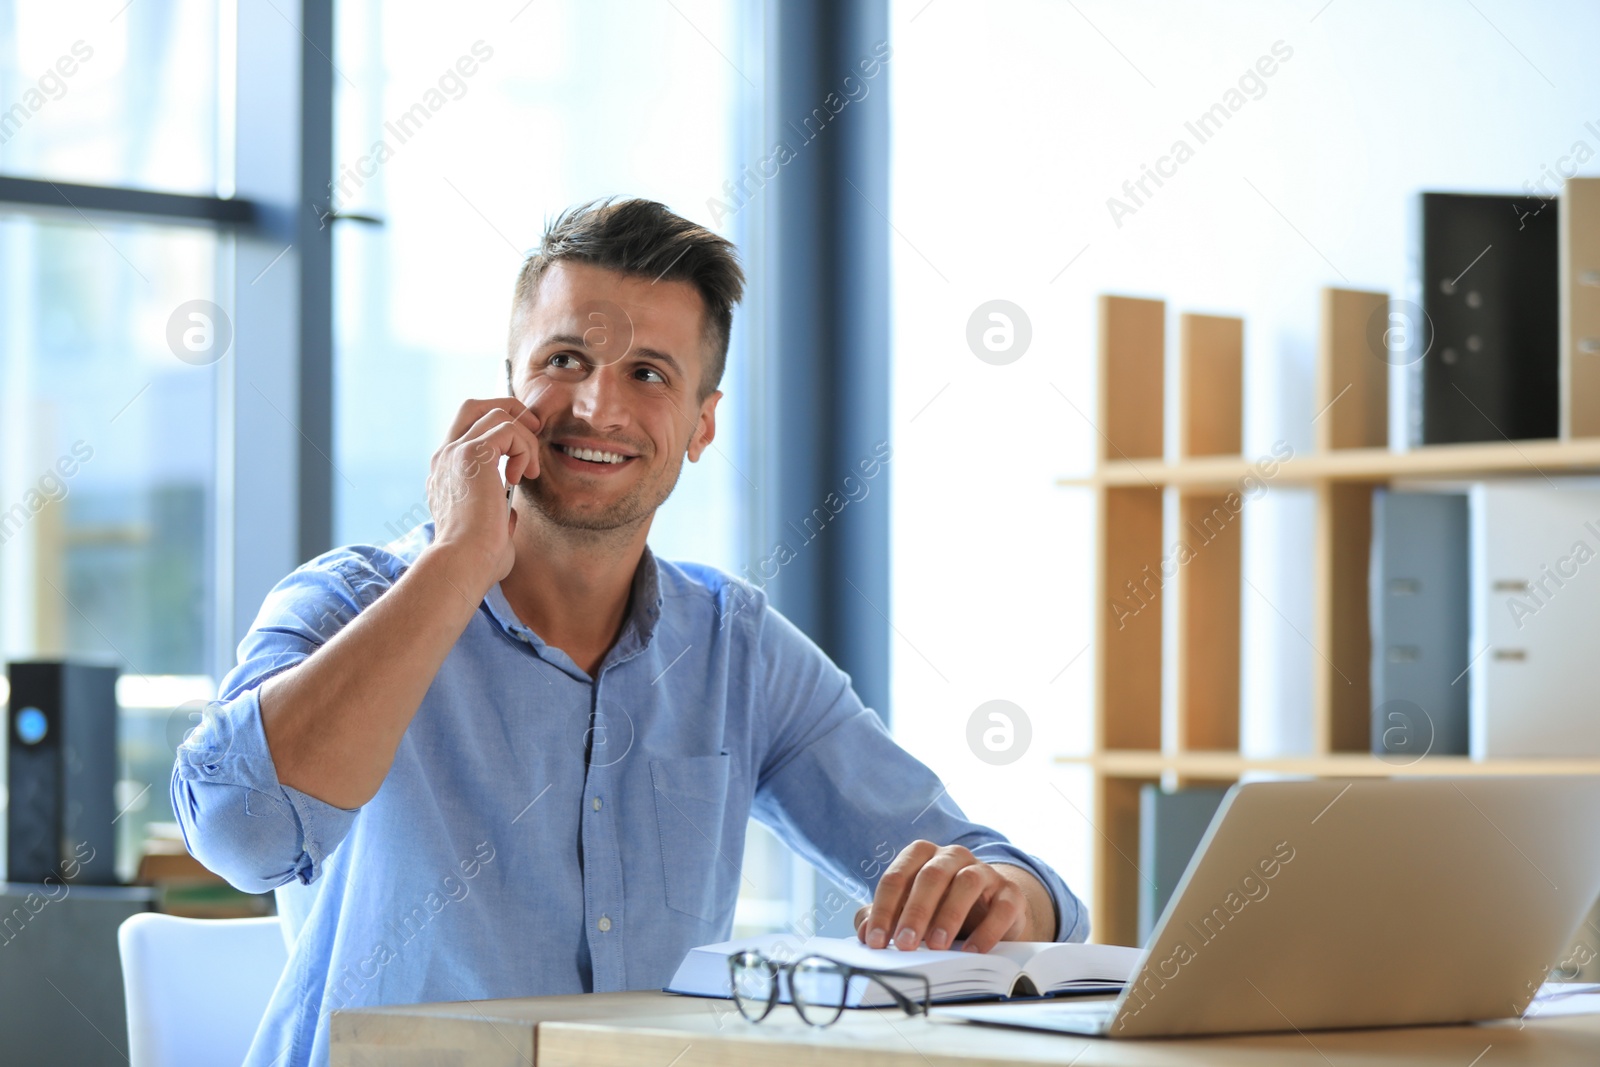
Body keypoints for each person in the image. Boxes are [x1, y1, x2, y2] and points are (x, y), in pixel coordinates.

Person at [172, 197, 1087, 1066]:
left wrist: (1004, 898)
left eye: (649, 373)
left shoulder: (736, 648)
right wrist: (455, 562)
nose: (597, 407)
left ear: (701, 424)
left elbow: (1018, 882)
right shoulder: (351, 600)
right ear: (507, 388)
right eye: (564, 359)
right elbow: (239, 836)